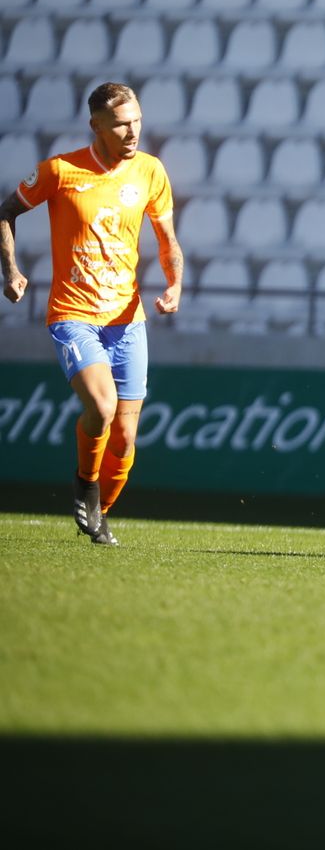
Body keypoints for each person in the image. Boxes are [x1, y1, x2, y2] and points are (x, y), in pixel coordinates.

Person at [0, 82, 184, 548]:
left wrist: (175, 284)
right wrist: (12, 271)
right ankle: (85, 482)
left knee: (124, 439)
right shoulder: (60, 171)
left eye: (137, 120)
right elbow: (5, 212)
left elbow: (166, 240)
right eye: (121, 123)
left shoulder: (150, 172)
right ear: (96, 126)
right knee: (100, 409)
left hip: (129, 320)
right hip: (73, 314)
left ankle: (99, 512)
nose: (132, 131)